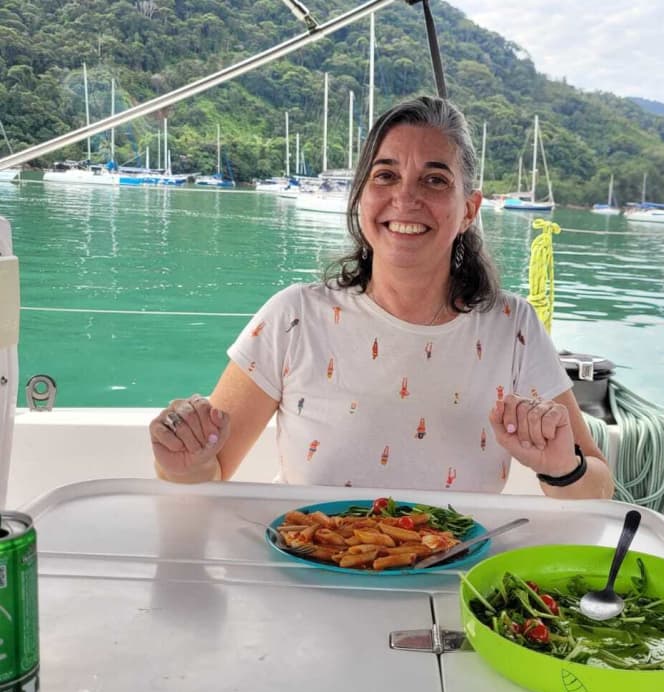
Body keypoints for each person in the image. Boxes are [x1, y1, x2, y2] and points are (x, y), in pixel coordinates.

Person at [150, 96, 613, 500]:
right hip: (309, 578)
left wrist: (561, 468)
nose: (405, 198)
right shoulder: (294, 317)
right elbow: (207, 472)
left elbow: (598, 486)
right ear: (360, 198)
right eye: (385, 175)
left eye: (434, 180)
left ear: (469, 209)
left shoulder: (512, 326)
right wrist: (181, 462)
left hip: (452, 581)